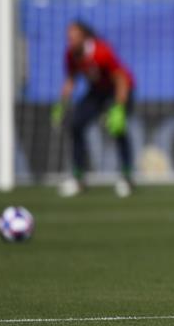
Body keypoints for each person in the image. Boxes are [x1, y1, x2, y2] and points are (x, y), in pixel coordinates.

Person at [52, 21, 136, 198]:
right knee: (76, 124)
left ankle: (127, 178)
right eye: (68, 37)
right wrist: (62, 105)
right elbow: (71, 80)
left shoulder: (102, 52)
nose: (70, 41)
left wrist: (119, 108)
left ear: (84, 37)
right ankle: (78, 179)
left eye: (74, 36)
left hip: (119, 89)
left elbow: (121, 79)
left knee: (118, 129)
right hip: (97, 92)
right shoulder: (71, 55)